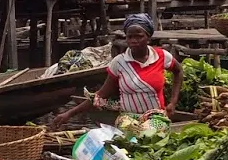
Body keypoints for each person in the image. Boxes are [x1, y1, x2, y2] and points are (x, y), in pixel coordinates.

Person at [53, 13, 182, 123]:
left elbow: (178, 71)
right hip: (129, 121)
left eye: (139, 36)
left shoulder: (161, 56)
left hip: (156, 118)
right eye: (130, 37)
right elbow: (101, 94)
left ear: (148, 38)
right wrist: (68, 114)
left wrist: (173, 102)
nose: (133, 41)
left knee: (151, 137)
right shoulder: (119, 63)